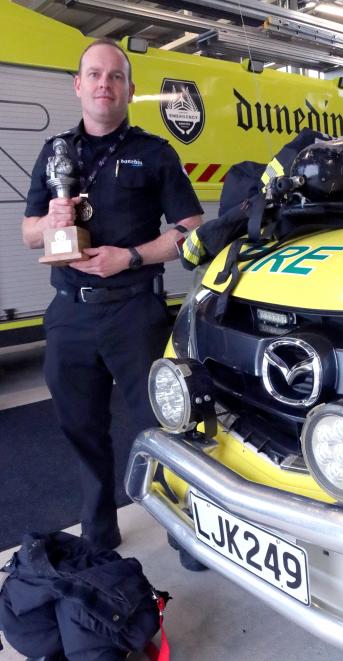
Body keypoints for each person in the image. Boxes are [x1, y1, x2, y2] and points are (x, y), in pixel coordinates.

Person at [22, 38, 203, 553]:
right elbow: (28, 233)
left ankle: (184, 534)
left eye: (116, 76)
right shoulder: (55, 154)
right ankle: (100, 533)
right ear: (79, 86)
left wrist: (131, 257)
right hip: (70, 316)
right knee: (82, 429)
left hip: (135, 314)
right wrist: (50, 221)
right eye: (95, 75)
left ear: (129, 89)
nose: (105, 84)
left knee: (163, 427)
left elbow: (191, 230)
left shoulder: (153, 153)